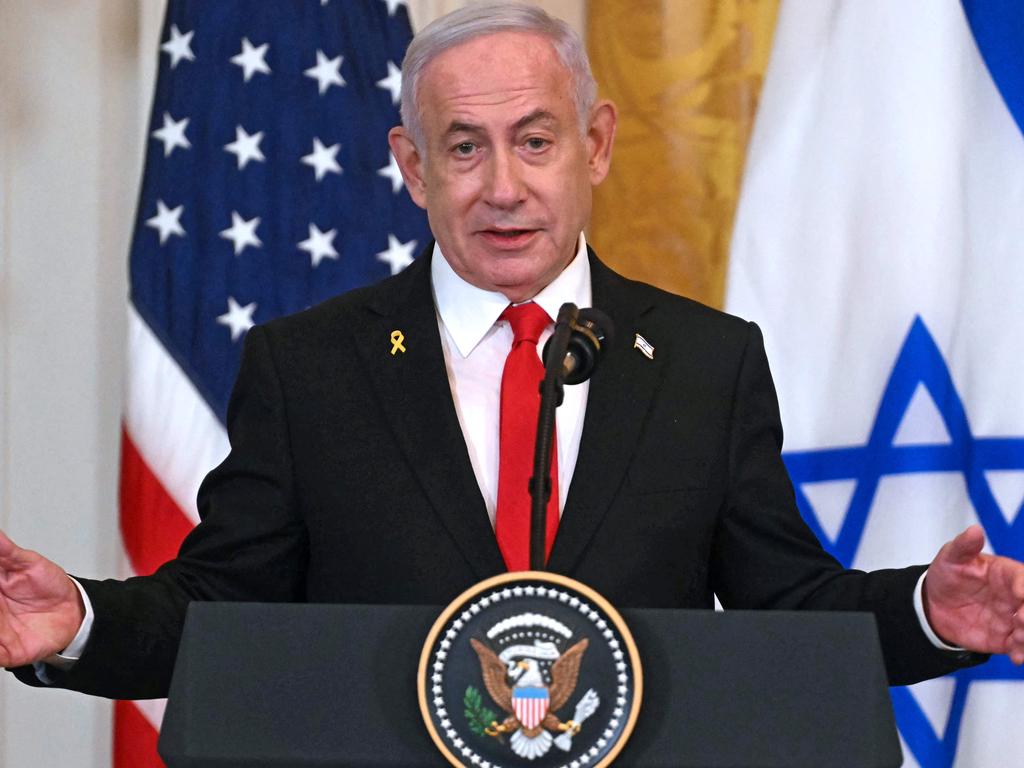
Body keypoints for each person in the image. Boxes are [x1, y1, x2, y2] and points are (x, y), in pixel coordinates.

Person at [2, 2, 1023, 701]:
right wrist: (81, 622)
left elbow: (787, 608)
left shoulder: (707, 364)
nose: (502, 186)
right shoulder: (306, 368)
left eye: (535, 141)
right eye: (462, 146)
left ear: (598, 145)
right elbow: (221, 611)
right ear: (410, 166)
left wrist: (926, 610)